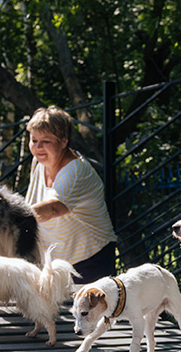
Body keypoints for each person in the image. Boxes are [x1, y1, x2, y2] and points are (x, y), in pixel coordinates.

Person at [24, 107, 118, 284]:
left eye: (46, 141)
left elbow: (54, 208)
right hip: (57, 264)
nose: (37, 147)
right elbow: (32, 205)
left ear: (63, 141)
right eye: (34, 140)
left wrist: (10, 216)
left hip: (89, 262)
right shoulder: (38, 162)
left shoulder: (75, 170)